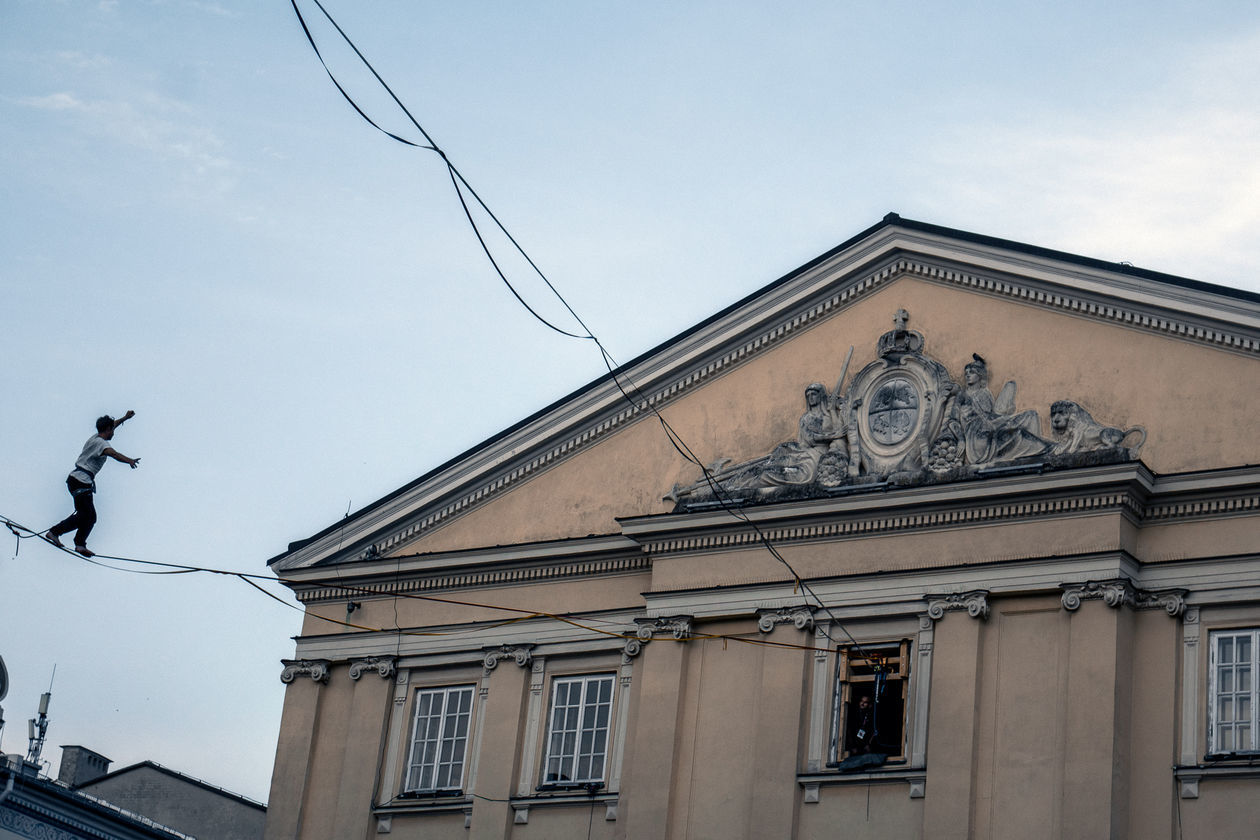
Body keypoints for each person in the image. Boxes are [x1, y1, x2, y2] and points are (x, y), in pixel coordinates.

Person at [45, 411, 140, 557]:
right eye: (112, 430)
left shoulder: (94, 438)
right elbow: (114, 454)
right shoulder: (101, 444)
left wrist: (125, 418)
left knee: (90, 516)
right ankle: (55, 532)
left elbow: (113, 424)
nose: (113, 432)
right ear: (107, 429)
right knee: (86, 515)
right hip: (81, 481)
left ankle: (80, 544)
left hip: (77, 480)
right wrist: (130, 460)